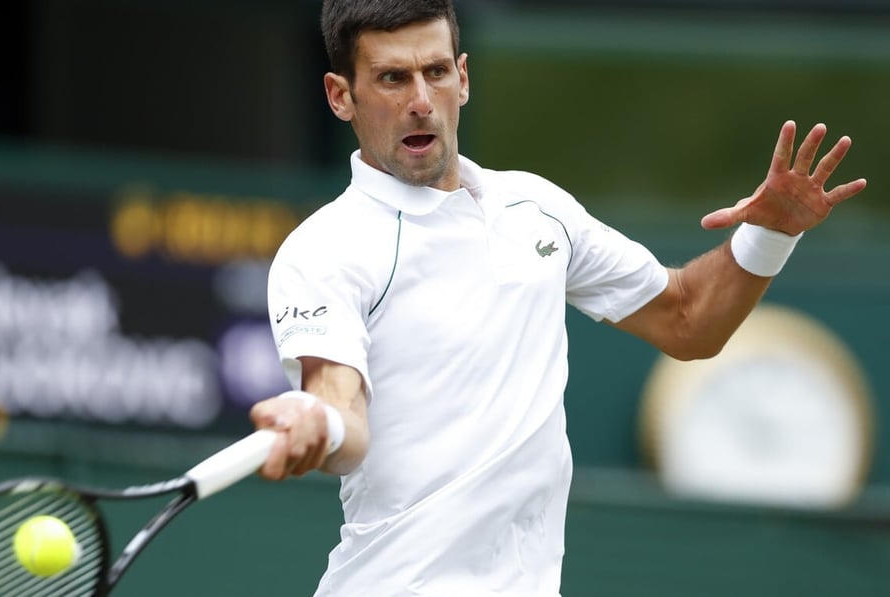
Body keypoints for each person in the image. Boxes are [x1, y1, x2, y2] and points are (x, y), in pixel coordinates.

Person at [248, 1, 867, 595]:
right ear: (339, 95)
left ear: (462, 79)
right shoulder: (323, 250)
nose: (419, 102)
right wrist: (319, 423)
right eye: (390, 78)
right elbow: (343, 410)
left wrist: (770, 232)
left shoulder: (537, 209)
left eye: (435, 72)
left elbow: (688, 321)